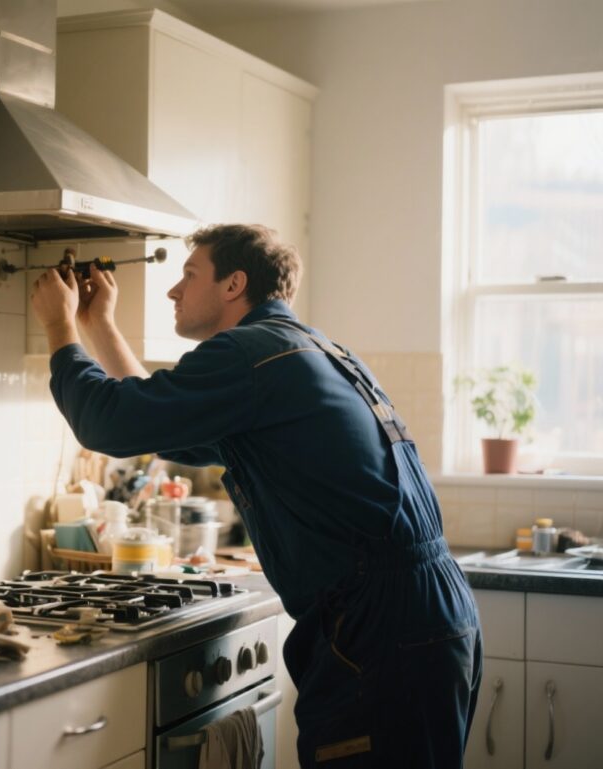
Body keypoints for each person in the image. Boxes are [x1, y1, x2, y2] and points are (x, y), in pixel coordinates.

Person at [30, 224, 482, 768]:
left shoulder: (247, 355)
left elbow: (106, 422)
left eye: (188, 275)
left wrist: (59, 324)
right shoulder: (297, 350)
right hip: (422, 614)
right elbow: (155, 423)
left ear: (232, 284)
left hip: (381, 627)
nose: (174, 291)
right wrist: (97, 323)